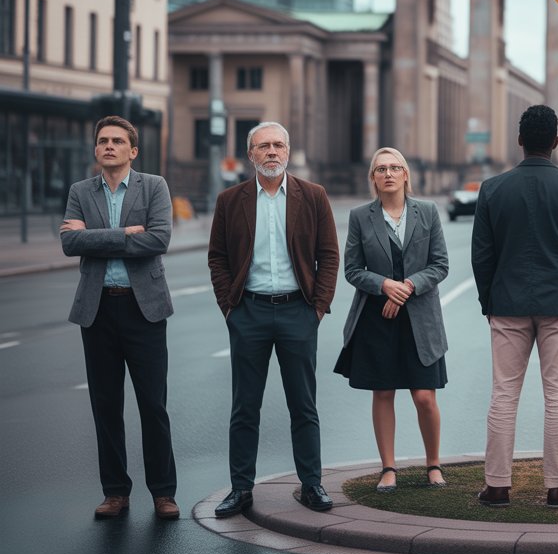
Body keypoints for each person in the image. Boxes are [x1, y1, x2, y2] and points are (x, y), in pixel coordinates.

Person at [471, 105, 558, 508]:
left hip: (507, 302)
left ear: (520, 141)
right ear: (556, 143)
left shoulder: (492, 189)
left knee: (503, 395)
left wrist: (488, 300)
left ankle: (496, 486)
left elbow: (482, 256)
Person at [207, 122, 340, 517]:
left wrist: (317, 308)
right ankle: (240, 488)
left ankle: (312, 484)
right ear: (250, 154)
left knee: (304, 405)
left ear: (288, 151)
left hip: (298, 311)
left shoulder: (312, 196)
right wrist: (229, 307)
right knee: (244, 407)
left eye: (278, 145)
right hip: (248, 312)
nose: (271, 152)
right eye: (263, 146)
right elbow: (217, 257)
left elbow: (328, 255)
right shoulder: (230, 200)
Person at [60, 116, 179, 520]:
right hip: (97, 310)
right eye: (102, 141)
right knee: (105, 405)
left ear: (133, 150)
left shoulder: (155, 186)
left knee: (153, 405)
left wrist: (96, 238)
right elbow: (69, 242)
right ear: (95, 150)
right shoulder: (81, 191)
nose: (108, 146)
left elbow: (159, 239)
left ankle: (164, 493)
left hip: (143, 309)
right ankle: (115, 492)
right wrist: (124, 233)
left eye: (117, 141)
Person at [336, 148, 450, 492]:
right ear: (373, 178)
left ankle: (433, 464)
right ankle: (388, 467)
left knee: (424, 396)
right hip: (377, 317)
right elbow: (353, 270)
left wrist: (409, 286)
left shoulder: (428, 212)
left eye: (395, 167)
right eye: (381, 168)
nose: (388, 173)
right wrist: (384, 285)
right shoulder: (360, 216)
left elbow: (440, 265)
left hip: (420, 318)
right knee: (383, 392)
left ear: (405, 175)